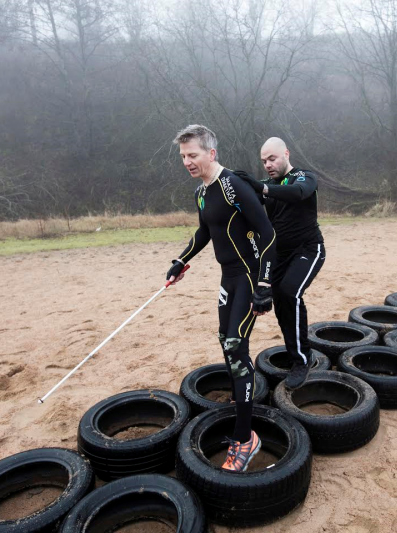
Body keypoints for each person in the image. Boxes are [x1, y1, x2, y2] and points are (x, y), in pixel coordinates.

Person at [166, 124, 276, 473]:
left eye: (193, 154)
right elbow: (204, 232)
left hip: (248, 276)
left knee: (235, 347)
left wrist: (265, 283)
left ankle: (246, 439)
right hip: (229, 277)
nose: (187, 161)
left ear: (211, 153)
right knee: (225, 341)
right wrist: (181, 260)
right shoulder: (202, 193)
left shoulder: (233, 186)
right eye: (183, 156)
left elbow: (267, 232)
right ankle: (240, 396)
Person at [235, 137, 324, 390]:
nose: (268, 165)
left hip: (309, 249)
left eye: (272, 159)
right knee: (278, 304)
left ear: (286, 153)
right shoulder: (267, 185)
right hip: (279, 255)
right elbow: (240, 192)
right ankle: (293, 351)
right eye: (263, 161)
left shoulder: (304, 177)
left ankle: (302, 361)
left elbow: (298, 193)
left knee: (289, 293)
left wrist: (260, 188)